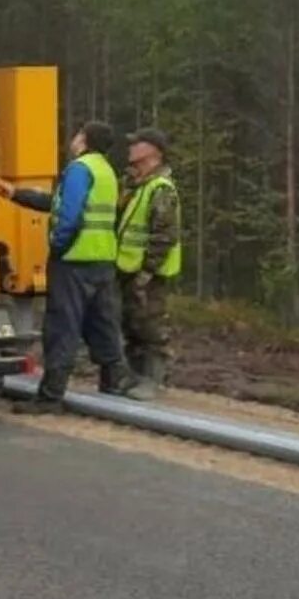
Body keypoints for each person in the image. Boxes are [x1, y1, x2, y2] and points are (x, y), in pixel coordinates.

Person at [0, 121, 127, 410]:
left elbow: (69, 213)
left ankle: (50, 396)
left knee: (62, 325)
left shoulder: (79, 169)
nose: (73, 139)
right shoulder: (106, 171)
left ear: (85, 140)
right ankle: (113, 383)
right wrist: (16, 193)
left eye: (78, 134)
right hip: (102, 259)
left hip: (73, 261)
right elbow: (55, 202)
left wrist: (58, 245)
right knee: (101, 322)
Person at [116, 127, 184, 400]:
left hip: (148, 274)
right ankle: (135, 377)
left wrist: (147, 270)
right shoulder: (138, 186)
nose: (131, 148)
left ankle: (153, 381)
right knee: (132, 324)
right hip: (129, 270)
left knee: (151, 326)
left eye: (137, 144)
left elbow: (164, 235)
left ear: (152, 152)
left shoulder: (161, 189)